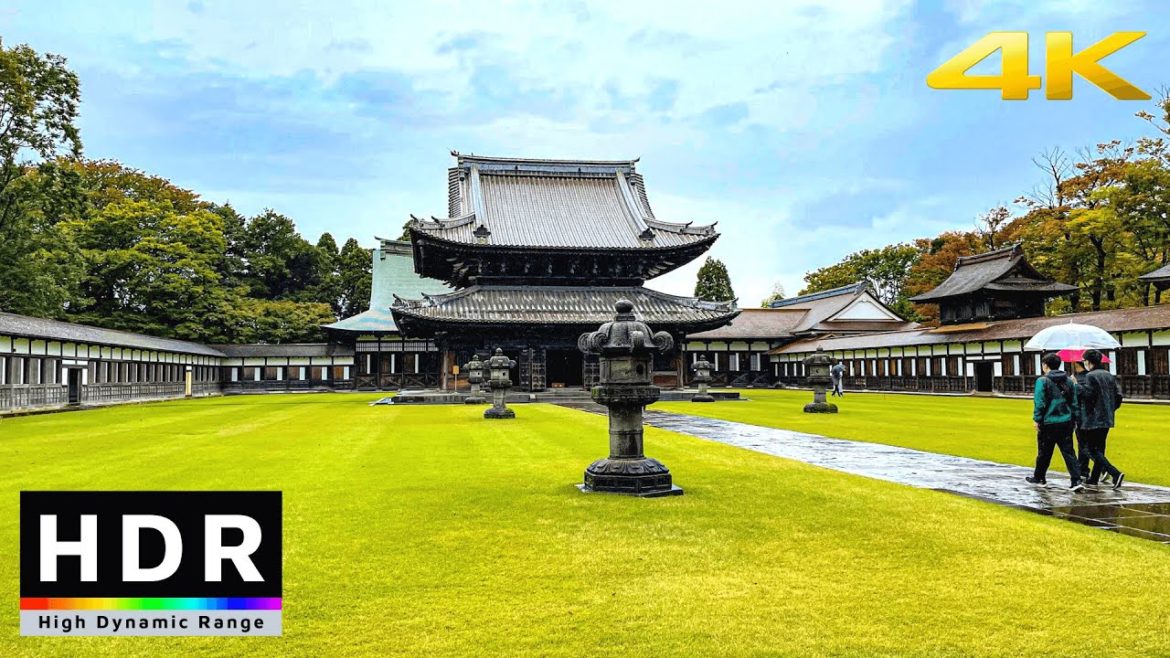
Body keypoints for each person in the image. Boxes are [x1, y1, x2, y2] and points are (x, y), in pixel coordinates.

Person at [1027, 352, 1085, 492]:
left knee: (1044, 451)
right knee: (1069, 451)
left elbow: (1039, 403)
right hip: (1066, 421)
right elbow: (1074, 402)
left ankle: (1039, 477)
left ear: (1045, 365)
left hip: (1048, 422)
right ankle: (1076, 479)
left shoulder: (1043, 381)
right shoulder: (1069, 381)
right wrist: (1076, 418)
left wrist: (1037, 419)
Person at [1076, 349, 1125, 490]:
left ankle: (1114, 473)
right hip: (1107, 418)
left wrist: (1076, 386)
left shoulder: (1090, 376)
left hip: (1092, 418)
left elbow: (1088, 394)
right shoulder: (1109, 375)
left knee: (1088, 448)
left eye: (1085, 361)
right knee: (1100, 448)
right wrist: (1110, 409)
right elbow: (1118, 396)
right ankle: (1094, 478)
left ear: (1089, 362)